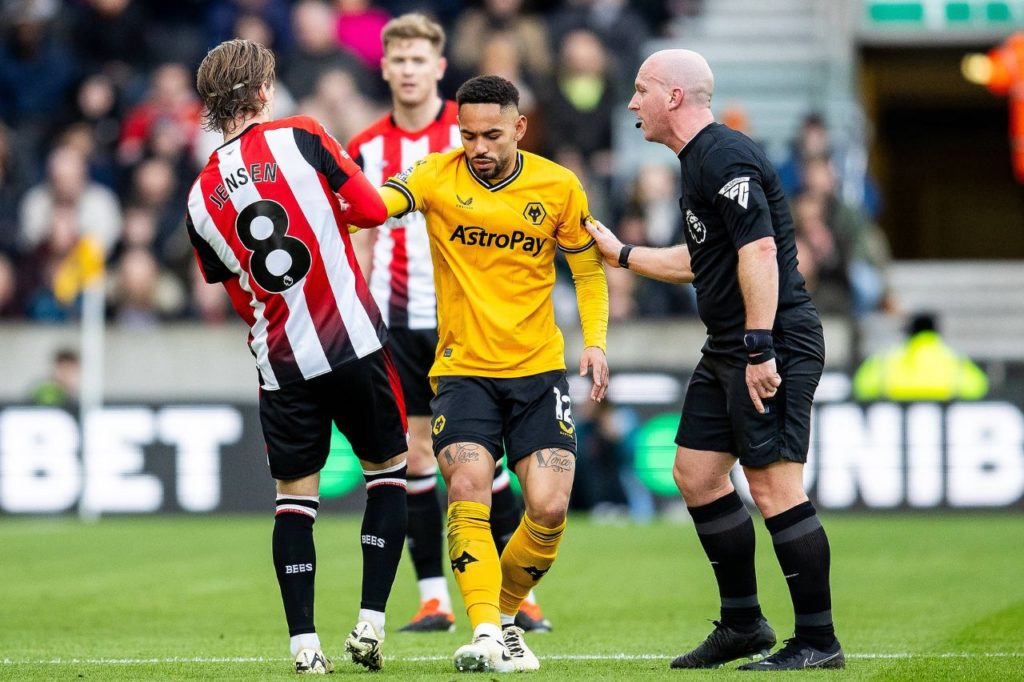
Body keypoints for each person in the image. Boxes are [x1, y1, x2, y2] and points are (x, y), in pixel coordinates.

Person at [584, 49, 845, 670]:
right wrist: (621, 254)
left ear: (673, 97)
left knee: (775, 487)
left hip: (768, 341)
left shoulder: (724, 154)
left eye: (641, 89)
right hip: (730, 344)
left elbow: (758, 253)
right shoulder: (696, 160)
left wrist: (760, 346)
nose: (631, 102)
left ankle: (818, 640)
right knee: (696, 475)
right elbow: (704, 260)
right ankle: (743, 624)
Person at [368, 74, 609, 672]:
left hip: (539, 372)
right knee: (468, 486)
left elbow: (587, 269)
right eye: (468, 134)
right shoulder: (433, 175)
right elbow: (375, 208)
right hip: (463, 371)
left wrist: (597, 343)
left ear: (519, 128)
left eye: (492, 134)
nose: (478, 146)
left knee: (549, 507)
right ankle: (481, 632)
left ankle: (502, 618)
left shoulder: (557, 186)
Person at [185, 39, 408, 674]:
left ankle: (304, 647)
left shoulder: (200, 196)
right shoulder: (303, 135)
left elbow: (235, 290)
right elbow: (369, 210)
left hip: (280, 361)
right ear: (262, 92)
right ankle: (369, 624)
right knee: (389, 472)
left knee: (294, 500)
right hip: (354, 342)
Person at [346, 12, 551, 635]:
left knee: (490, 463)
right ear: (385, 68)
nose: (407, 71)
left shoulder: (470, 133)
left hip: (471, 321)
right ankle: (434, 597)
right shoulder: (366, 146)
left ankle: (520, 597)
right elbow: (361, 232)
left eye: (419, 60)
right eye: (398, 61)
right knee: (414, 458)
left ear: (438, 67)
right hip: (397, 323)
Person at [852, 312, 989, 401]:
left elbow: (861, 387)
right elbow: (980, 388)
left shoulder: (884, 360)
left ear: (908, 332)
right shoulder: (956, 361)